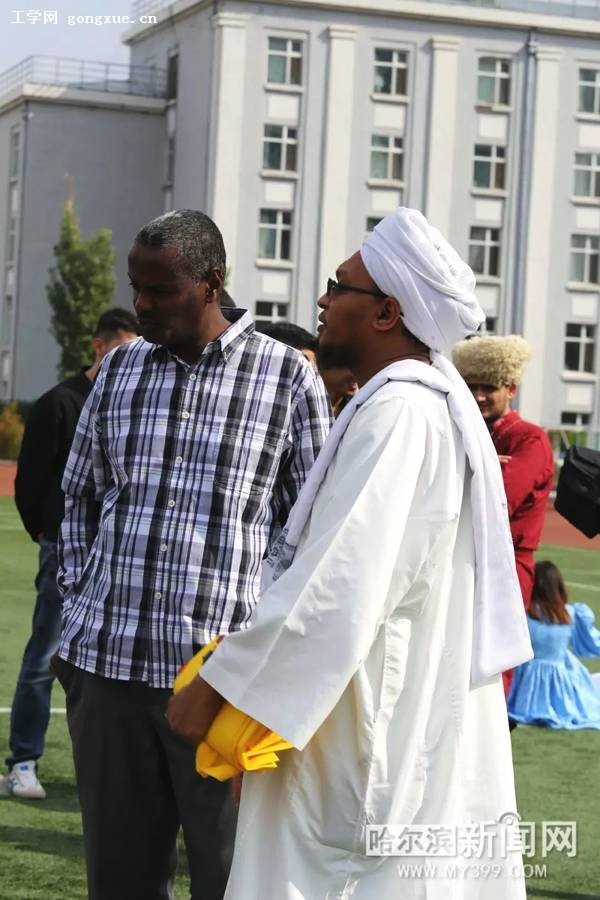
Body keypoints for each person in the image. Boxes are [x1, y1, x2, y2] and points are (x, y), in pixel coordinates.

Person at [167, 207, 532, 899]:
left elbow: (336, 588)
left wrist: (222, 688)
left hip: (362, 736)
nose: (323, 300)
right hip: (363, 721)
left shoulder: (402, 416)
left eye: (339, 286)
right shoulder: (401, 406)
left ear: (388, 312)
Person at [53, 210, 330, 900]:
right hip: (108, 669)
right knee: (119, 881)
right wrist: (79, 605)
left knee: (233, 879)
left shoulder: (286, 379)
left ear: (211, 282)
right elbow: (79, 497)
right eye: (135, 288)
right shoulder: (119, 371)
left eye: (160, 289)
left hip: (223, 684)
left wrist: (258, 650)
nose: (142, 304)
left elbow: (311, 534)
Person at [0, 308, 138, 800]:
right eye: (123, 348)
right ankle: (23, 761)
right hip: (65, 550)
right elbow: (31, 480)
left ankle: (113, 770)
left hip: (122, 553)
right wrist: (46, 535)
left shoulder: (133, 402)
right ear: (100, 347)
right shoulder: (60, 402)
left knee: (119, 662)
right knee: (46, 654)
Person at [453, 335, 554, 695]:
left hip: (507, 564)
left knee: (493, 666)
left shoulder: (530, 438)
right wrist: (484, 468)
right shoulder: (468, 431)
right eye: (472, 386)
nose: (479, 396)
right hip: (464, 558)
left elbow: (497, 500)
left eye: (489, 387)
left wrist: (467, 469)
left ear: (510, 389)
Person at [508, 561, 600, 729]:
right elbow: (592, 642)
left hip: (525, 683)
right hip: (561, 681)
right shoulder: (570, 614)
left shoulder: (524, 613)